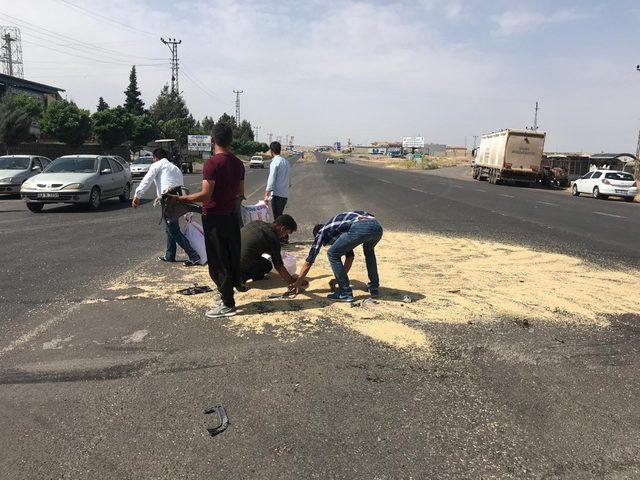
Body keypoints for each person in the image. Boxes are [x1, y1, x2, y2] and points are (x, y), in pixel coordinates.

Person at [175, 124, 245, 318]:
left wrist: (182, 199)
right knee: (231, 256)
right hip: (231, 217)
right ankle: (228, 294)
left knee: (217, 260)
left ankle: (228, 304)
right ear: (231, 140)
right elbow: (241, 193)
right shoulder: (238, 164)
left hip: (215, 219)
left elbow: (206, 195)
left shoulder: (212, 164)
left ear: (213, 140)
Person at [290, 211, 383, 302]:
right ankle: (374, 287)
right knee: (369, 252)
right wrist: (338, 280)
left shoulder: (321, 232)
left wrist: (298, 282)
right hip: (377, 226)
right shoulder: (340, 229)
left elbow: (309, 261)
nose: (330, 244)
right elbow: (350, 257)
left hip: (360, 226)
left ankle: (345, 292)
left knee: (332, 254)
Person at [132, 148, 200, 267]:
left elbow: (147, 180)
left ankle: (193, 255)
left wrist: (137, 195)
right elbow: (182, 188)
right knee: (170, 228)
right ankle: (170, 255)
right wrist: (187, 212)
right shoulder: (175, 168)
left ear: (155, 158)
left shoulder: (157, 165)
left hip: (168, 200)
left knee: (173, 230)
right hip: (178, 199)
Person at [240, 215, 298, 285]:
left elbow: (257, 244)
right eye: (286, 233)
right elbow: (279, 266)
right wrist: (292, 281)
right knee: (266, 266)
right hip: (239, 266)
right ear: (282, 229)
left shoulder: (257, 223)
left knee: (257, 257)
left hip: (227, 258)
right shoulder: (273, 238)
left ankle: (257, 277)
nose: (284, 236)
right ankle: (240, 278)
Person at [264, 141, 291, 222]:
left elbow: (271, 179)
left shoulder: (274, 162)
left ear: (271, 151)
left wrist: (266, 194)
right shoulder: (286, 162)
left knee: (277, 220)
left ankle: (283, 234)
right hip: (284, 195)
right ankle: (283, 234)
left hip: (276, 196)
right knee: (279, 217)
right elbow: (289, 181)